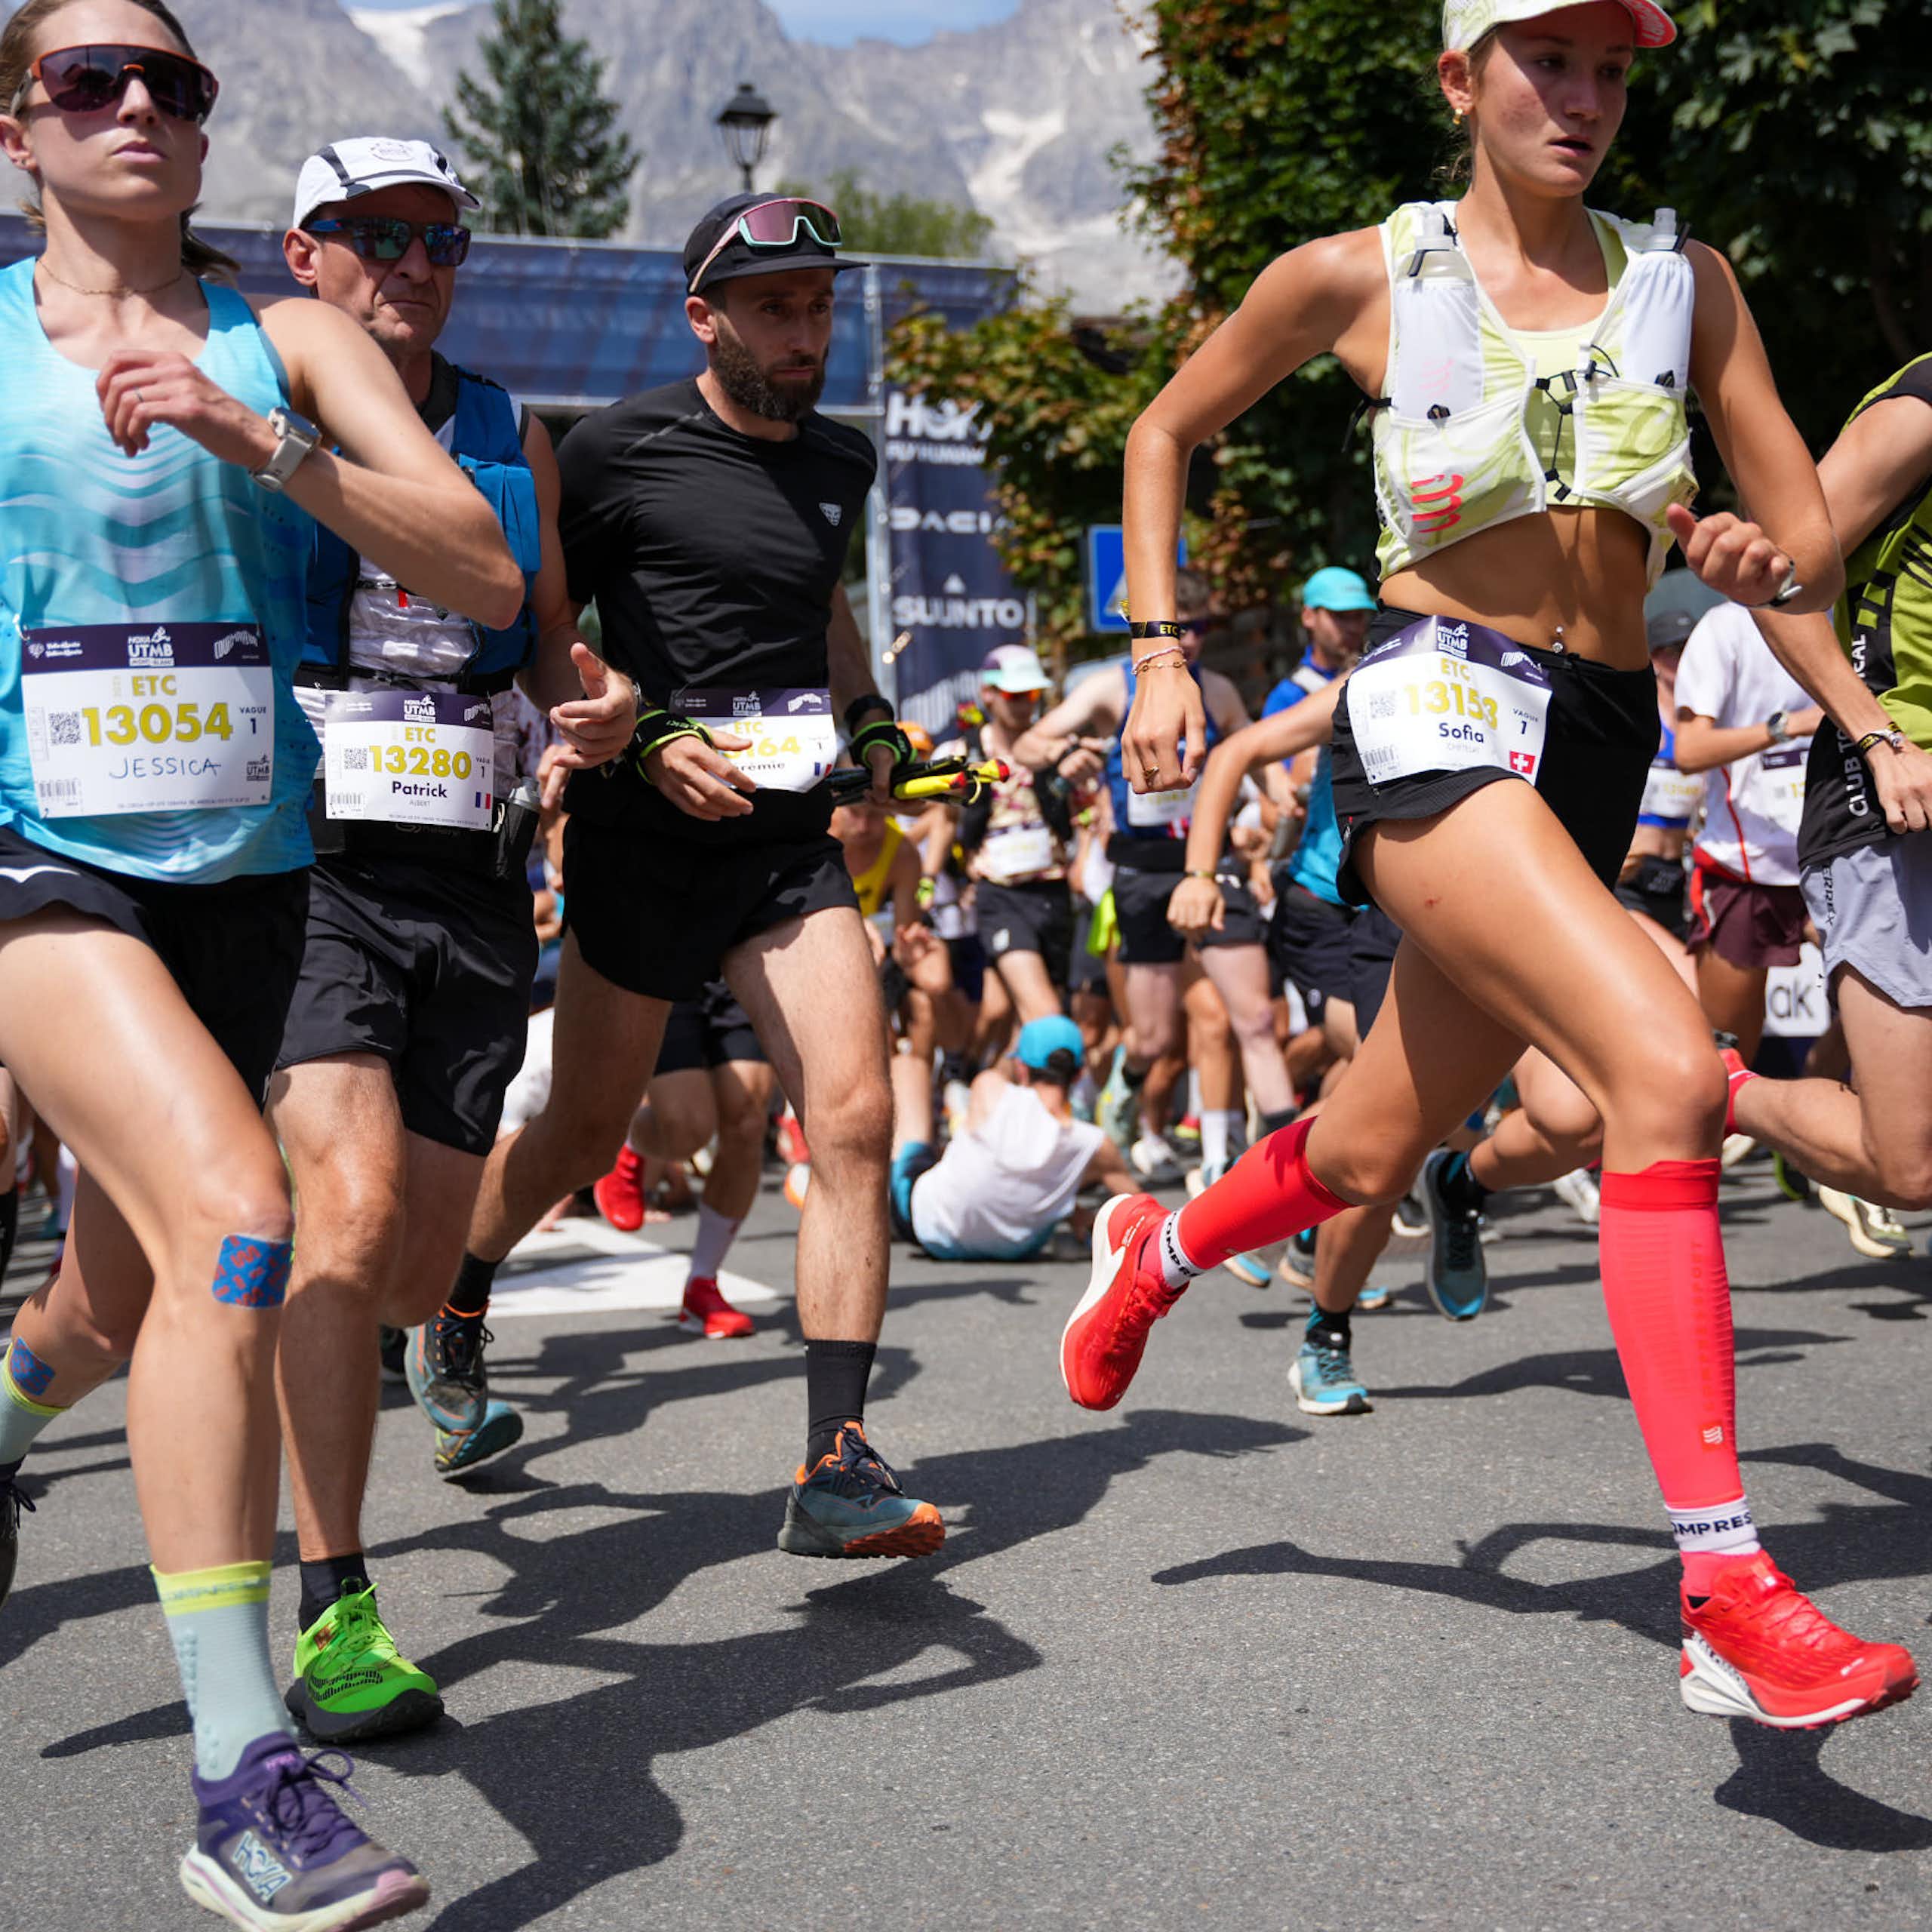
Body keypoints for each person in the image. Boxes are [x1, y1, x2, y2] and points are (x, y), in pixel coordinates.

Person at [1063, 0, 1918, 1727]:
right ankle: (1721, 1579)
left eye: (1610, 69)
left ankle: (1154, 1244)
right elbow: (1163, 433)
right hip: (1436, 694)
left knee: (1372, 1139)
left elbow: (1805, 544)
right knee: (1662, 1063)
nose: (1585, 99)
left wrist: (1766, 555)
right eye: (1548, 60)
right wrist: (1157, 650)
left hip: (1595, 731)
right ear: (1461, 79)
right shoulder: (1360, 273)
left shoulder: (1690, 286)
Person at [0, 2, 524, 1920]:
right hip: (39, 863)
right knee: (242, 1218)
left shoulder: (284, 336)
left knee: (135, 1290)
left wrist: (252, 430)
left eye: (176, 84)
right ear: (15, 128)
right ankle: (242, 1771)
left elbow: (477, 565)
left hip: (261, 865)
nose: (139, 105)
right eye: (89, 80)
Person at [426, 192, 943, 1561]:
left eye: (820, 304)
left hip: (784, 844)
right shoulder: (613, 450)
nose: (804, 330)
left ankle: (836, 1462)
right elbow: (550, 628)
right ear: (703, 316)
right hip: (644, 840)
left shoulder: (844, 458)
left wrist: (876, 716)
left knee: (852, 1117)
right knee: (584, 1134)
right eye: (774, 307)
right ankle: (460, 1305)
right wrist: (647, 738)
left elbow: (818, 601)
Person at [259, 137, 641, 1745]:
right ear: (305, 252)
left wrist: (597, 710)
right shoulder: (249, 408)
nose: (412, 265)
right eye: (374, 235)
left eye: (441, 239)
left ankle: (26, 1388)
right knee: (340, 1231)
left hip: (475, 873)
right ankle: (333, 1600)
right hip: (308, 864)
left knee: (412, 1265)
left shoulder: (512, 434)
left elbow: (550, 643)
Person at [1725, 355, 1932, 1228]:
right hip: (1893, 790)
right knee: (1908, 1169)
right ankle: (1718, 1086)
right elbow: (1776, 585)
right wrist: (1880, 738)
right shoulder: (1923, 404)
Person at [1013, 570, 1251, 1181]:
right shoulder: (1111, 689)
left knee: (1220, 1020)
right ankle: (1109, 1106)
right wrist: (1068, 754)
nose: (1191, 641)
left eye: (1200, 628)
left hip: (1203, 868)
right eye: (1179, 627)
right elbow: (1031, 744)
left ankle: (1222, 1159)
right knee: (1149, 1040)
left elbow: (1253, 761)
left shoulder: (1217, 691)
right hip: (1139, 875)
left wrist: (1263, 810)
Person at [592, 978, 774, 1338]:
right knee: (686, 1132)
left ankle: (702, 1284)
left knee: (748, 1122)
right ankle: (629, 1145)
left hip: (743, 954)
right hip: (668, 956)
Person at [890, 1015, 1134, 1261]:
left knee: (909, 1066)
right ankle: (1068, 1210)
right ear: (1079, 1074)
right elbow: (1143, 1213)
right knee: (1051, 1184)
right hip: (1015, 1248)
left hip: (931, 1229)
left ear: (1021, 1068)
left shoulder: (989, 1088)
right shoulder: (1094, 1143)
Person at [951, 645, 1084, 1027]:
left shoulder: (1056, 748)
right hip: (1000, 894)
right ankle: (968, 1073)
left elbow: (1087, 809)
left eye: (1032, 695)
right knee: (1046, 1016)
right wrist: (947, 875)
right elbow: (941, 822)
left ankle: (987, 1079)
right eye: (1015, 695)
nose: (1025, 704)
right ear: (988, 694)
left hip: (1054, 890)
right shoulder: (966, 753)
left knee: (1008, 1018)